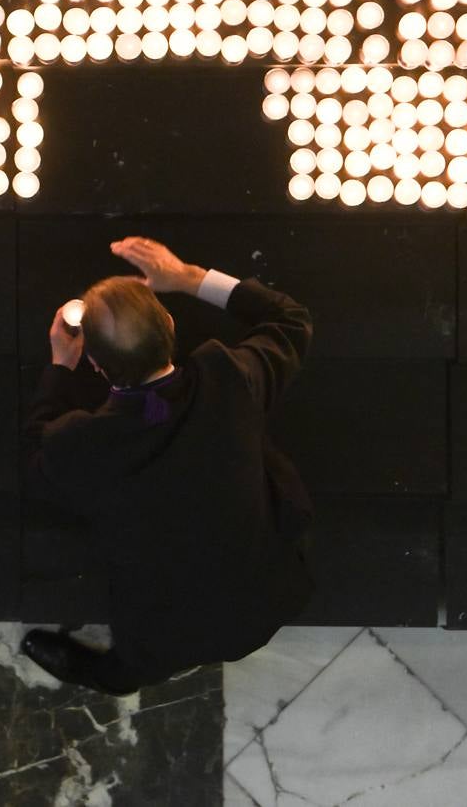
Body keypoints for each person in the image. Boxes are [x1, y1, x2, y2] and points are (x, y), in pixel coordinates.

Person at [21, 236, 316, 695]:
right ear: (171, 325)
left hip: (160, 632)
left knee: (131, 671)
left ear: (95, 364)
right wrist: (187, 277)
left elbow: (41, 451)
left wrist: (60, 365)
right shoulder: (231, 378)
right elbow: (291, 319)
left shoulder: (82, 442)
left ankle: (114, 680)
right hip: (265, 595)